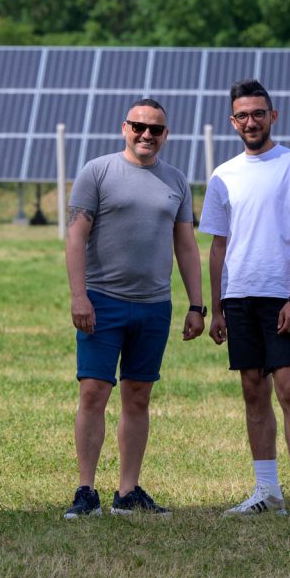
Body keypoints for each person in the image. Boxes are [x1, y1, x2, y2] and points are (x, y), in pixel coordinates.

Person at [63, 98, 205, 519]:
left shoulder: (176, 181)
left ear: (166, 134)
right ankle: (86, 490)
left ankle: (127, 493)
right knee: (93, 393)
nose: (147, 135)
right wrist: (78, 296)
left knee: (138, 396)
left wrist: (197, 305)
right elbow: (75, 238)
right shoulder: (97, 172)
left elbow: (186, 245)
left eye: (155, 129)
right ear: (124, 127)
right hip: (103, 303)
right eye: (139, 127)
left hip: (154, 306)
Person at [199, 79, 290, 524]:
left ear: (273, 116)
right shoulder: (223, 175)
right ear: (233, 122)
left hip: (280, 297)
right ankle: (267, 490)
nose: (251, 122)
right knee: (253, 392)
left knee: (289, 388)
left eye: (258, 113)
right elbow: (218, 246)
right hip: (238, 297)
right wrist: (216, 307)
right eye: (242, 116)